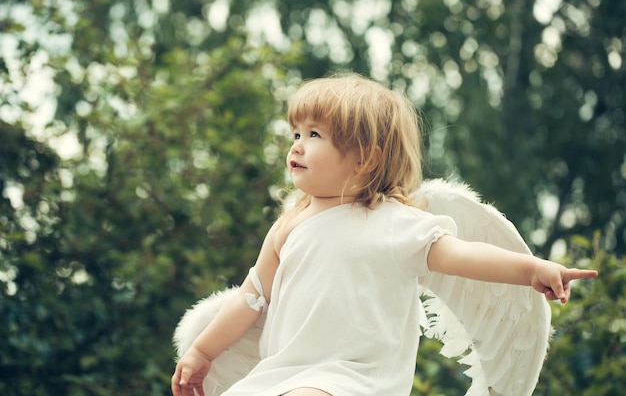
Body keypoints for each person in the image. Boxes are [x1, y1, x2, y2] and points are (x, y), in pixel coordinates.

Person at [171, 73, 598, 396]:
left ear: (366, 159)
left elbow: (464, 256)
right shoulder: (288, 227)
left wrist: (533, 269)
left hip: (352, 379)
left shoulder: (394, 222)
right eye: (296, 133)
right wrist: (201, 352)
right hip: (282, 375)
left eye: (314, 135)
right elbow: (250, 298)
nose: (296, 146)